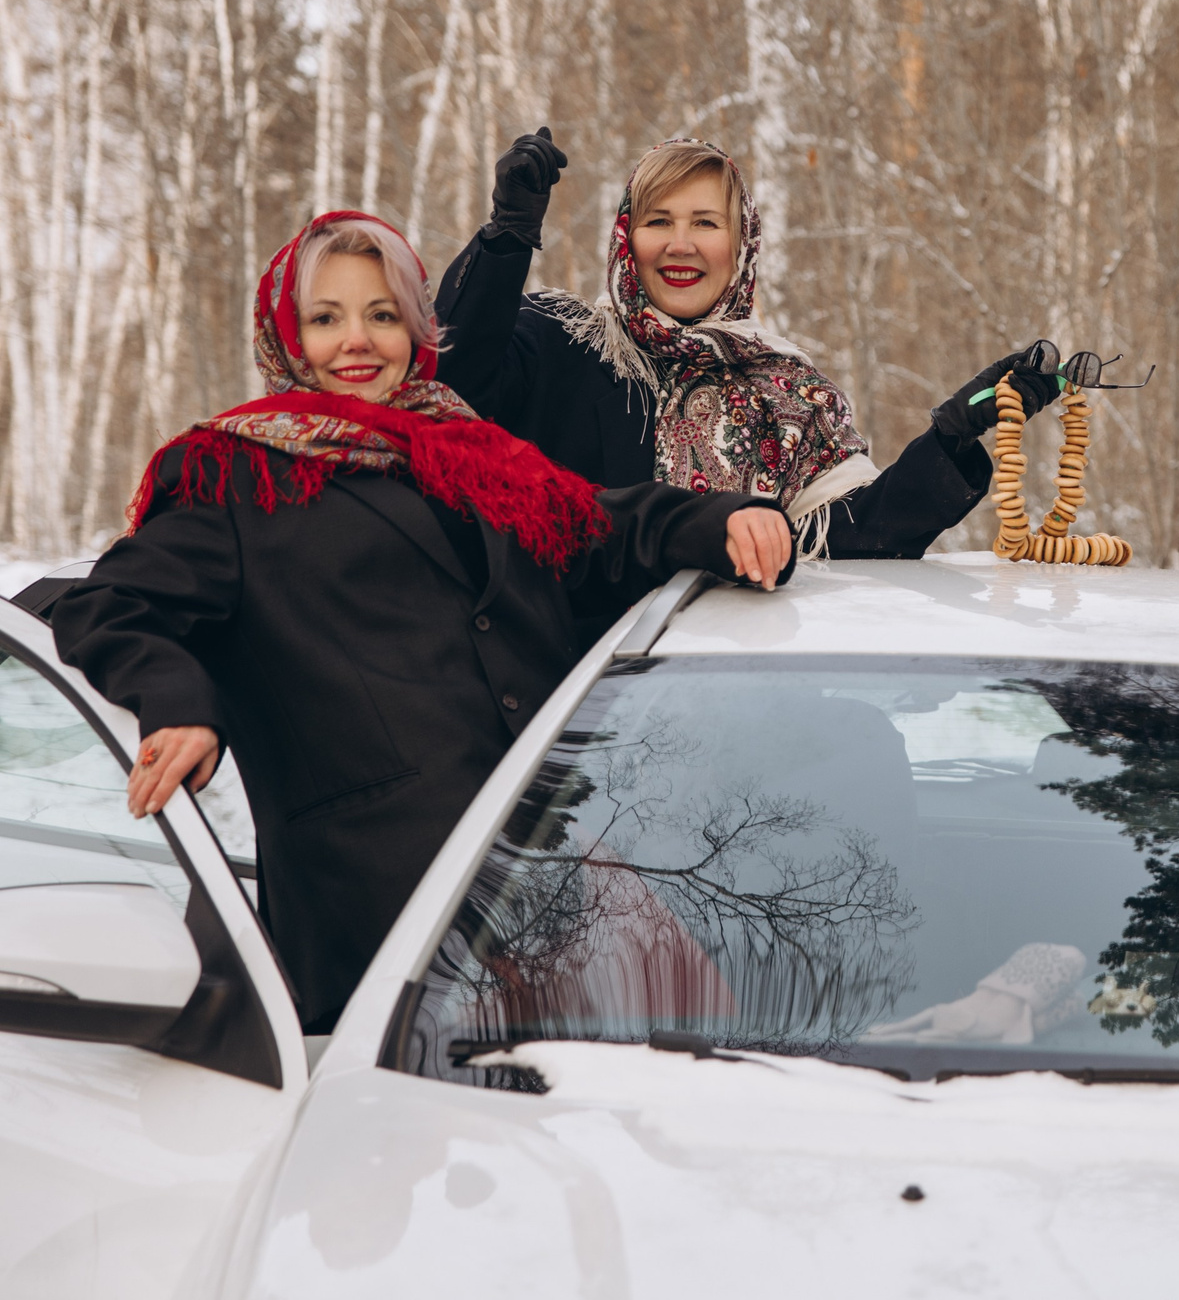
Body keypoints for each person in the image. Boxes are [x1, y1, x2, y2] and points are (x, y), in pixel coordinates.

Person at [51, 212, 796, 1034]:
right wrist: (178, 701)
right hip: (382, 911)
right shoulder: (236, 473)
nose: (357, 341)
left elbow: (596, 525)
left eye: (381, 313)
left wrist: (719, 522)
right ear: (287, 336)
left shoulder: (472, 451)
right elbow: (106, 602)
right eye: (325, 318)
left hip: (555, 866)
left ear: (415, 323)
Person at [434, 130, 1056, 561]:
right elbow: (453, 377)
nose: (681, 245)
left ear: (742, 244)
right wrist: (507, 236)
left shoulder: (786, 391)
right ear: (626, 238)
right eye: (658, 222)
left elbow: (862, 538)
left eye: (705, 223)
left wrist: (949, 437)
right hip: (577, 701)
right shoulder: (559, 340)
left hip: (727, 703)